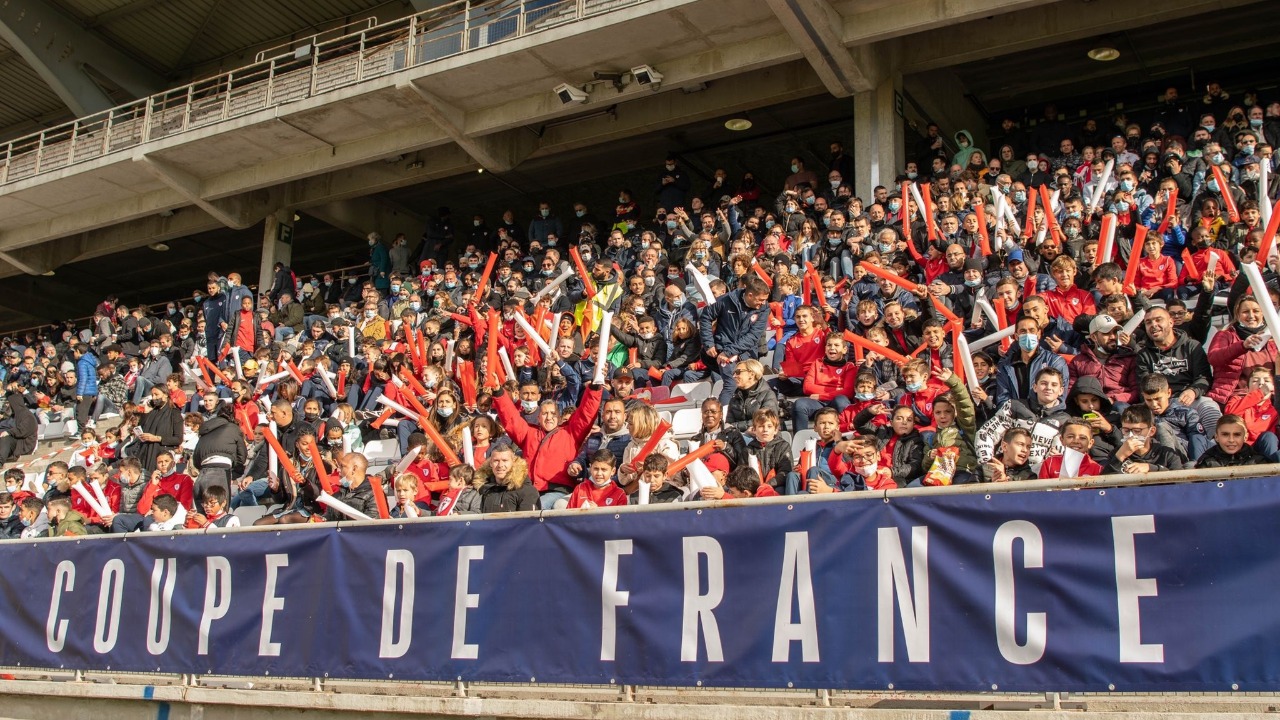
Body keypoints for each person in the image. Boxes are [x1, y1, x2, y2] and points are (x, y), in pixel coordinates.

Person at [1104, 404, 1185, 474]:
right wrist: (1120, 457)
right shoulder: (1115, 454)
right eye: (1126, 430)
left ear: (1151, 431)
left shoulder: (1167, 455)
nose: (1131, 435)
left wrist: (1152, 468)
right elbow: (1103, 487)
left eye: (1137, 431)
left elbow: (1182, 486)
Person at [478, 440, 539, 513]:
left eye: (505, 460)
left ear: (513, 462)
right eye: (496, 461)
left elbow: (529, 522)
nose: (500, 465)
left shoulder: (527, 491)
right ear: (490, 463)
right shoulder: (484, 488)